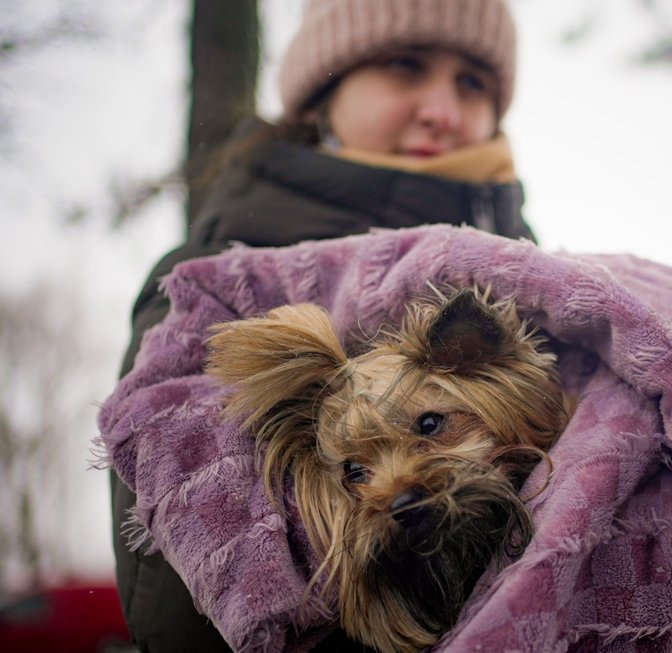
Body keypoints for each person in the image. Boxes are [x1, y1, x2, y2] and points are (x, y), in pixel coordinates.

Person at [109, 0, 534, 650]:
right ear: (321, 94)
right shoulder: (213, 288)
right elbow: (181, 612)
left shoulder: (538, 282)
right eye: (405, 65)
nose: (443, 111)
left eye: (472, 83)